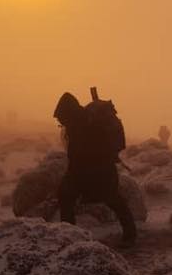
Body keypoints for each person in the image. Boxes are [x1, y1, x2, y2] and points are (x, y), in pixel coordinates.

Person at [54, 91, 137, 246]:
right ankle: (70, 236)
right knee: (66, 196)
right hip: (84, 172)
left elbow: (87, 151)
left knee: (113, 199)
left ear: (68, 112)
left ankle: (130, 234)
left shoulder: (85, 123)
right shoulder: (76, 123)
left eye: (61, 118)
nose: (61, 122)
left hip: (99, 171)